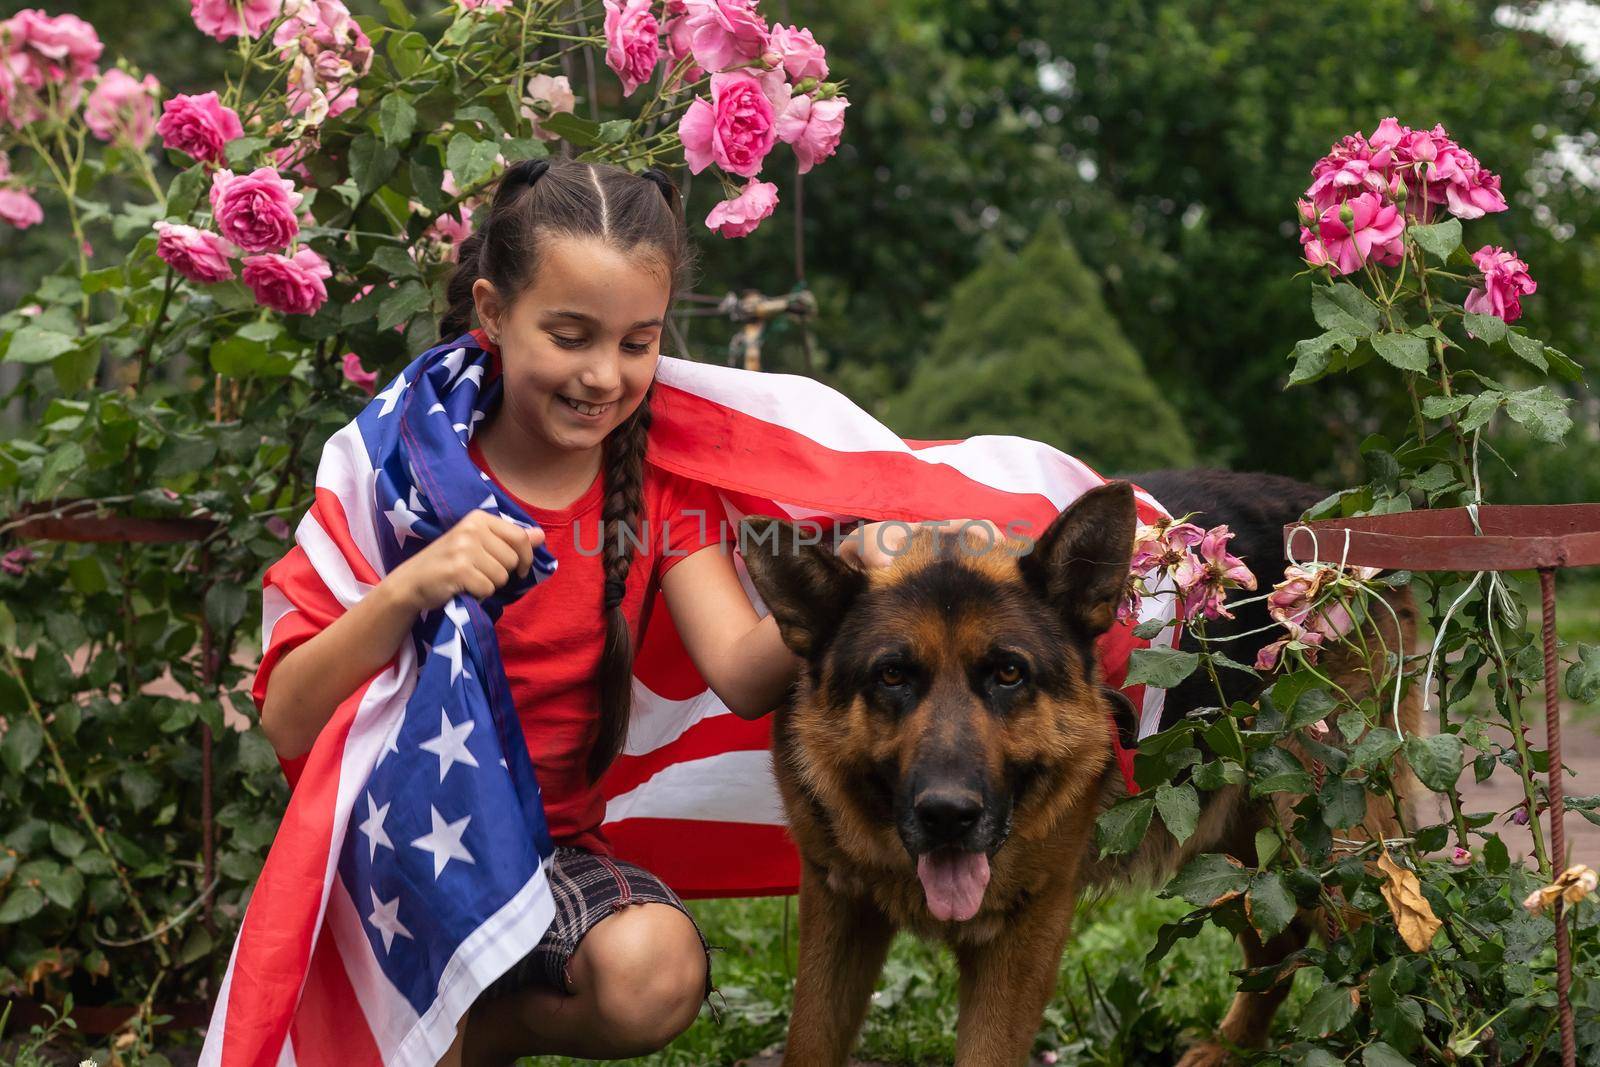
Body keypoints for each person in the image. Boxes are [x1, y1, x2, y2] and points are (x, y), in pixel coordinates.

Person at [255, 157, 977, 1065]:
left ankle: (476, 1035)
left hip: (553, 854)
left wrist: (846, 578)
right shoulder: (399, 471)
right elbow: (285, 708)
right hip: (404, 850)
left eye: (638, 343)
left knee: (655, 974)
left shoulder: (655, 491)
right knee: (415, 989)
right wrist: (412, 585)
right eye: (570, 334)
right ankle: (410, 1020)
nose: (603, 374)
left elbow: (742, 674)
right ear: (491, 311)